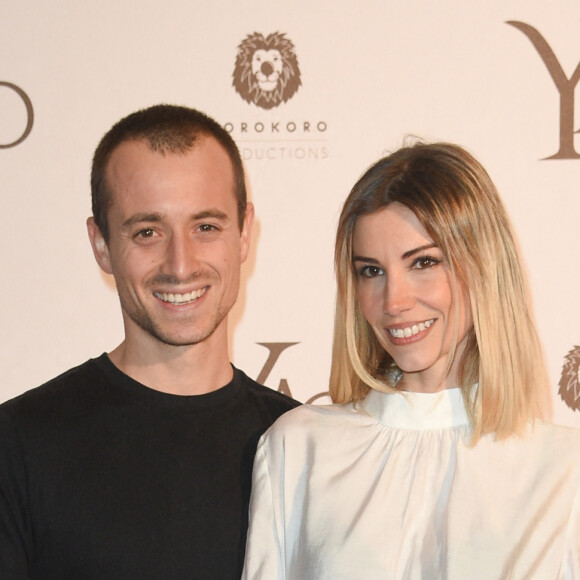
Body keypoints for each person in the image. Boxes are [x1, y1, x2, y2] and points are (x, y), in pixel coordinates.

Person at [242, 142, 580, 579]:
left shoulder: (565, 470)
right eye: (371, 271)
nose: (394, 302)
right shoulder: (298, 450)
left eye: (423, 262)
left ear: (485, 266)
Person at [0, 104, 298, 579]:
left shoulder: (301, 445)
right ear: (101, 245)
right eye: (147, 231)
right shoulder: (16, 445)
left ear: (243, 232)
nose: (180, 265)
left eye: (206, 227)